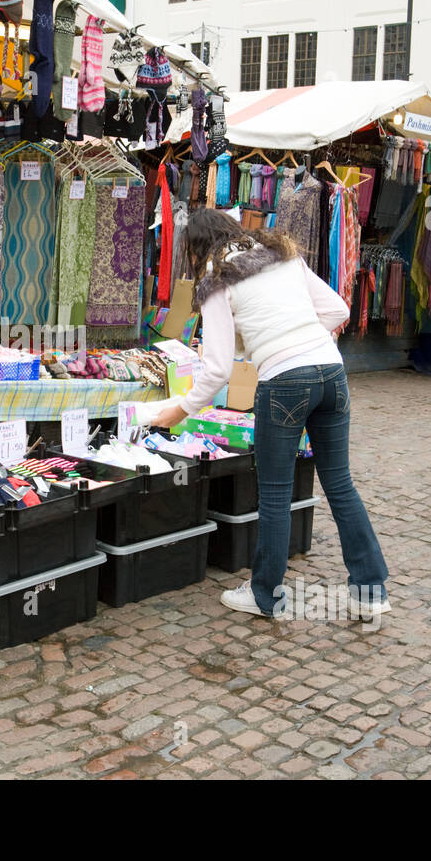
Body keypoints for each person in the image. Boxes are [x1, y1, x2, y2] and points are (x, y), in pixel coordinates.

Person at [149, 208, 390, 620]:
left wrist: (181, 409)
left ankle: (266, 595)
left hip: (284, 382)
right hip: (331, 370)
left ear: (198, 247)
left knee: (276, 493)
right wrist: (288, 333)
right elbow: (337, 310)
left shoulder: (215, 277)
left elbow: (218, 368)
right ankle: (371, 591)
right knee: (340, 483)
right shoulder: (281, 253)